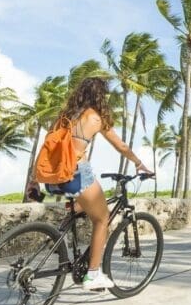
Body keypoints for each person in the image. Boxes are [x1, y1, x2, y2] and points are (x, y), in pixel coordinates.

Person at [30, 77, 151, 291]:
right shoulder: (96, 118)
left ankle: (73, 219)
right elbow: (120, 146)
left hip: (53, 178)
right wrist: (139, 163)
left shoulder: (64, 116)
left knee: (84, 206)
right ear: (100, 97)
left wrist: (34, 180)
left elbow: (46, 147)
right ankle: (93, 275)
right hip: (76, 173)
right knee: (102, 218)